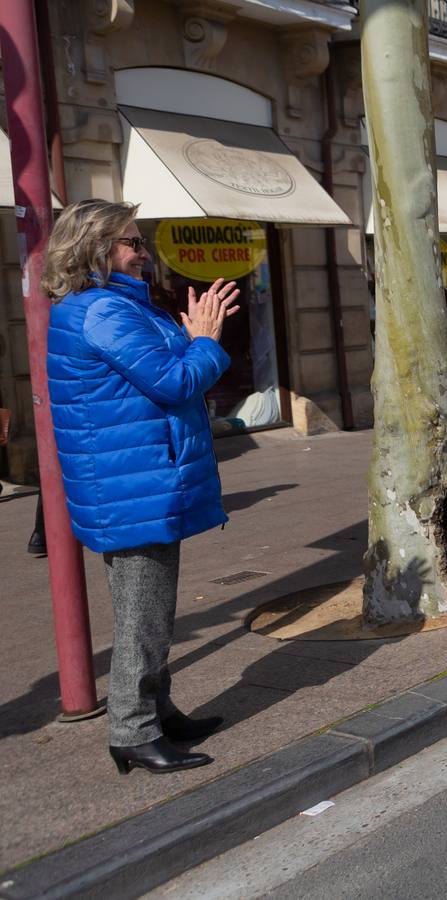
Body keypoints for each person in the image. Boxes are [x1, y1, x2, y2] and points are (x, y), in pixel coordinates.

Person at [43, 200, 239, 774]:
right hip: (133, 485)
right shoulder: (104, 312)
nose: (144, 251)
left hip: (135, 481)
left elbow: (159, 367)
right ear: (97, 253)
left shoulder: (114, 307)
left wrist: (194, 335)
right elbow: (178, 380)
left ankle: (157, 709)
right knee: (144, 616)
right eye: (132, 242)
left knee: (148, 608)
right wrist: (204, 340)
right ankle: (131, 729)